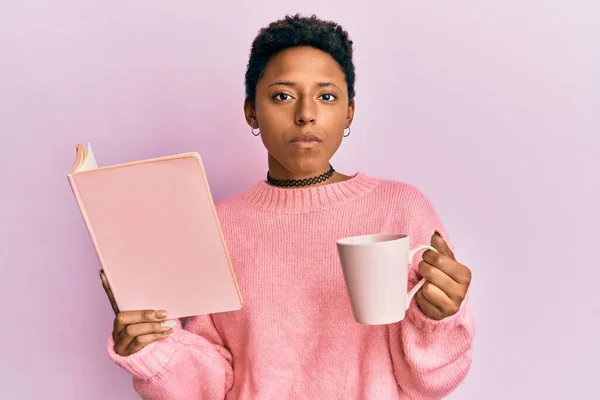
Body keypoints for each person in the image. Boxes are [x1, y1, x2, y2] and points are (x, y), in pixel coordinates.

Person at [100, 14, 475, 400]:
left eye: (326, 96)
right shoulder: (218, 227)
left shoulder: (400, 210)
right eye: (283, 95)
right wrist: (150, 348)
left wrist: (438, 317)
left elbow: (426, 383)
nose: (306, 114)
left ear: (349, 112)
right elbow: (208, 385)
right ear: (251, 112)